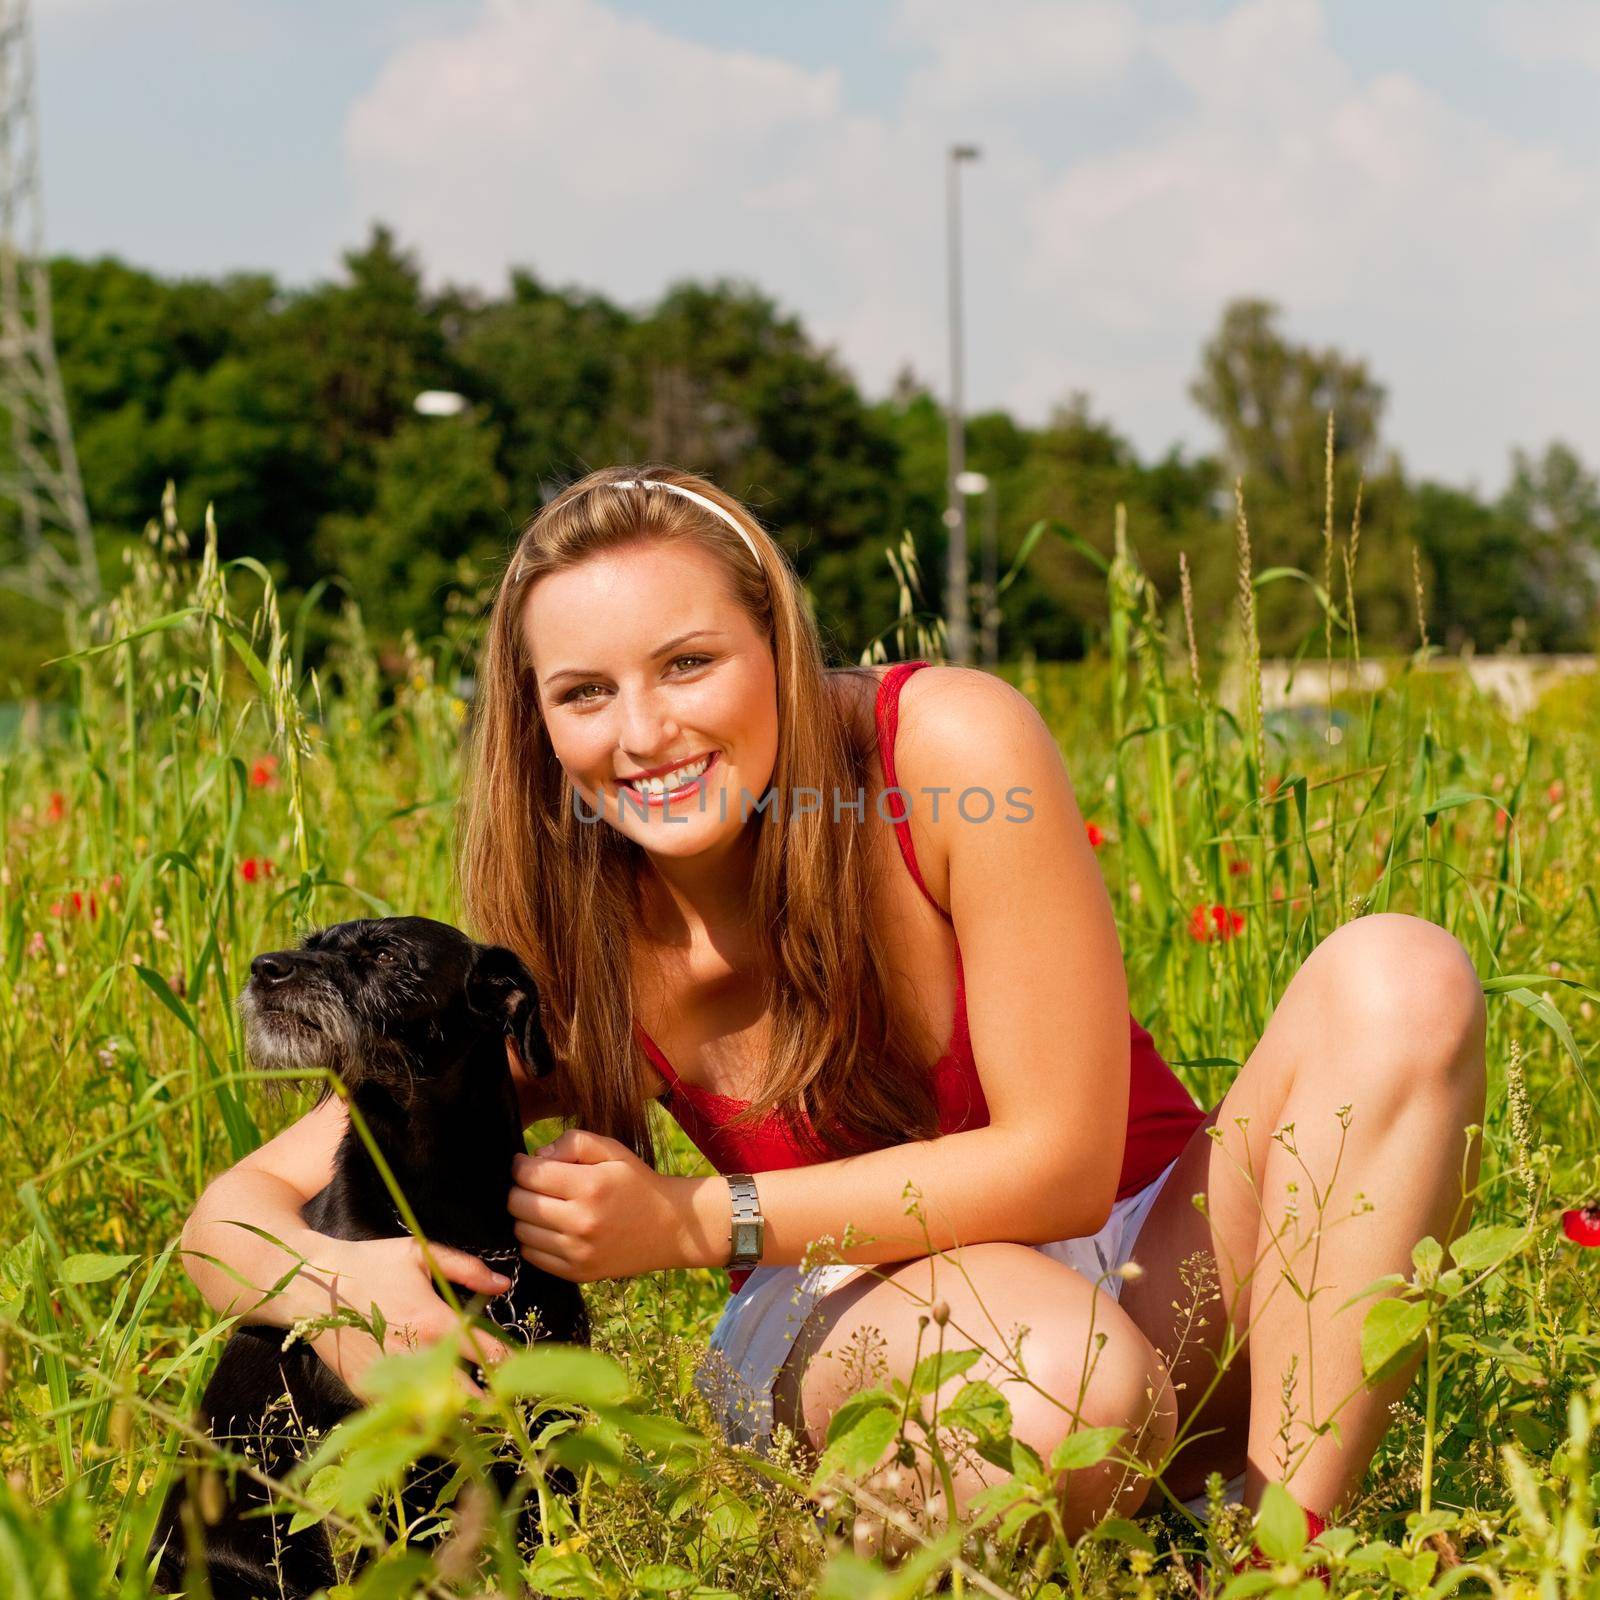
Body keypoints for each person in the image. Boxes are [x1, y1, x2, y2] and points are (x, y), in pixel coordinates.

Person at [180, 463, 1487, 1553]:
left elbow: (1066, 1170)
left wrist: (695, 1221)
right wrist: (355, 1288)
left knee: (1400, 978)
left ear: (779, 649)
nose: (643, 734)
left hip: (1155, 1254)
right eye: (585, 694)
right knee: (1064, 1391)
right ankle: (1019, 1521)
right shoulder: (563, 944)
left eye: (688, 664)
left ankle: (1272, 1555)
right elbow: (227, 1218)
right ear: (538, 727)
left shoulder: (946, 752)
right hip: (876, 1320)